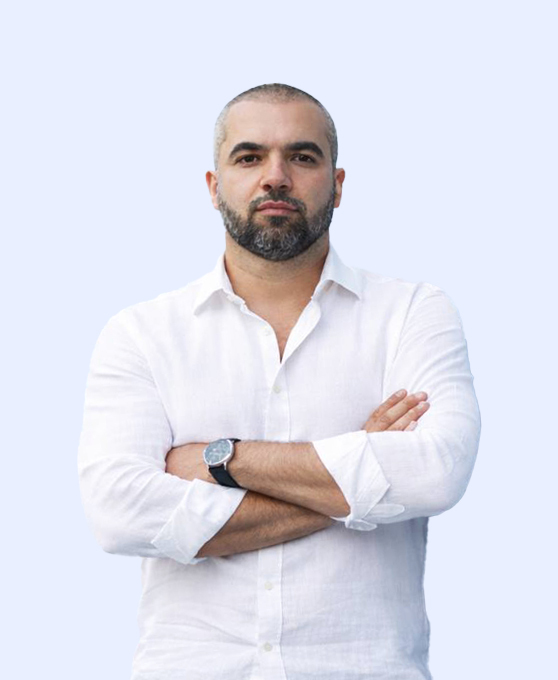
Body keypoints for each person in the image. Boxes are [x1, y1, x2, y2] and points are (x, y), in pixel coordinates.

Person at [78, 83, 481, 680]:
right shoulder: (141, 334)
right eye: (249, 157)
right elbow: (118, 513)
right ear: (214, 187)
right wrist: (357, 472)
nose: (276, 177)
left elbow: (436, 472)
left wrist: (221, 459)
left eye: (302, 156)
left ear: (337, 185)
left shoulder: (412, 314)